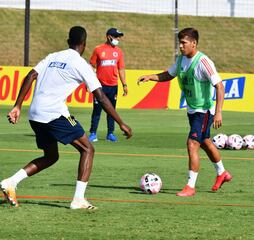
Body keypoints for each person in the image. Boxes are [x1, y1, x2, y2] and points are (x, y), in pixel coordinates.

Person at [1, 26, 132, 209]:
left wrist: (17, 106)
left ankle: (11, 182)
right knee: (88, 149)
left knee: (51, 156)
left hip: (35, 114)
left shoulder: (52, 56)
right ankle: (78, 200)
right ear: (84, 44)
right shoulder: (81, 64)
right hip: (54, 114)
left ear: (68, 41)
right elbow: (101, 96)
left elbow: (31, 75)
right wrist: (121, 122)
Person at [137, 27, 232, 197]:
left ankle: (190, 186)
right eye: (179, 43)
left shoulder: (203, 62)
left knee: (192, 144)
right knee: (205, 142)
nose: (180, 46)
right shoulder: (181, 60)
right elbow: (169, 74)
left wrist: (218, 112)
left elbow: (219, 86)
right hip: (192, 110)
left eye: (183, 43)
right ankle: (222, 173)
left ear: (194, 43)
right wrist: (151, 76)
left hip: (204, 111)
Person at [88, 27, 128, 142]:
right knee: (96, 110)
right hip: (99, 86)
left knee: (112, 111)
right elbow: (91, 66)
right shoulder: (98, 49)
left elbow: (121, 69)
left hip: (113, 86)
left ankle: (110, 133)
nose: (118, 39)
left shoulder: (119, 52)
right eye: (116, 37)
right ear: (108, 36)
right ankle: (93, 133)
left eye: (118, 37)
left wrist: (124, 84)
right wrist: (89, 82)